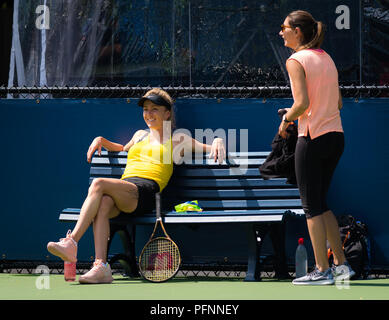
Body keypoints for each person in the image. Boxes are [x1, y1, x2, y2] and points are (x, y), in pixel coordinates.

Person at [47, 88, 226, 284]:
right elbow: (122, 148)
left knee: (98, 183)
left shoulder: (178, 139)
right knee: (104, 202)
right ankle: (101, 267)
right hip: (126, 189)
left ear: (167, 113)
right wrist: (101, 140)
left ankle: (72, 242)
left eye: (154, 109)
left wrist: (217, 140)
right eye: (145, 109)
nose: (148, 114)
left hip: (147, 191)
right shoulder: (139, 135)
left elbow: (207, 147)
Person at [278, 10, 355, 285]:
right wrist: (297, 111)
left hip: (312, 138)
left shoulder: (295, 60)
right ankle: (342, 265)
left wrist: (287, 118)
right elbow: (337, 104)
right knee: (321, 205)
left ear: (297, 32)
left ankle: (322, 269)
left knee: (311, 207)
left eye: (284, 28)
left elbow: (302, 104)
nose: (281, 32)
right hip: (336, 137)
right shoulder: (327, 58)